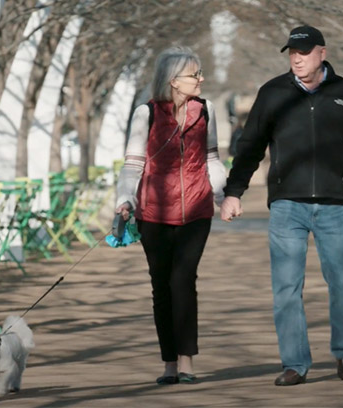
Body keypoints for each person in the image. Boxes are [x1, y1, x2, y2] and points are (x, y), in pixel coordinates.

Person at [220, 25, 343, 386]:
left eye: (304, 52)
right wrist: (234, 192)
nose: (296, 58)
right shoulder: (273, 93)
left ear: (322, 53)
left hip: (335, 205)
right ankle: (294, 364)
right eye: (292, 51)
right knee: (286, 287)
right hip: (286, 206)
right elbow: (250, 149)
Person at [115, 46, 226, 385]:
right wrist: (125, 201)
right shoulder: (144, 114)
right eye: (196, 74)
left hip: (196, 210)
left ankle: (187, 360)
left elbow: (212, 159)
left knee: (184, 281)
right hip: (153, 214)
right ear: (174, 80)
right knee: (161, 286)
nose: (201, 79)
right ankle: (168, 363)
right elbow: (133, 163)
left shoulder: (205, 111)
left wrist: (223, 195)